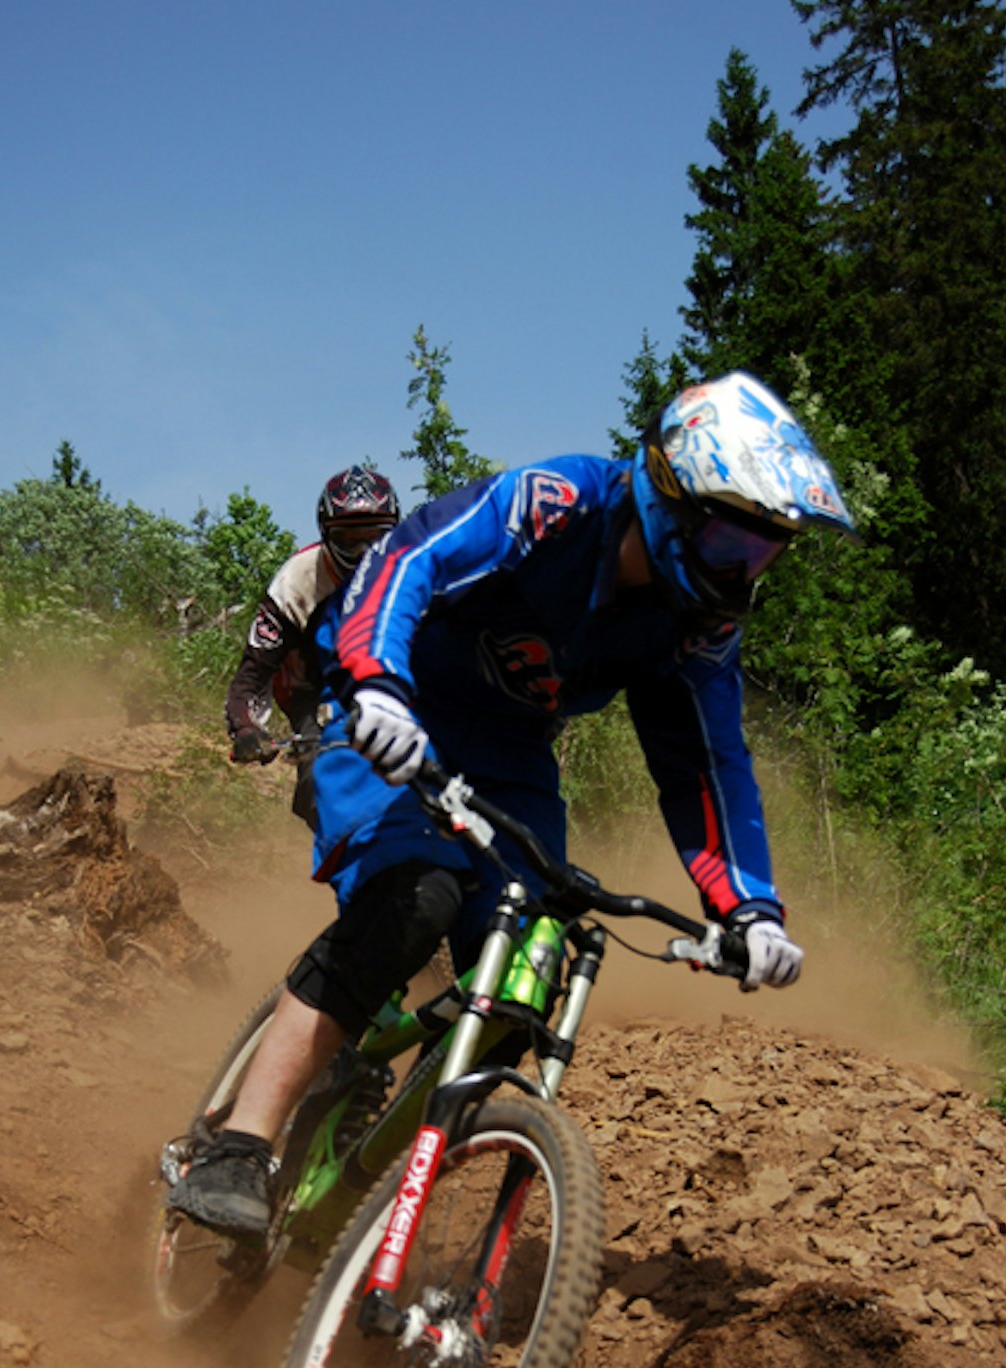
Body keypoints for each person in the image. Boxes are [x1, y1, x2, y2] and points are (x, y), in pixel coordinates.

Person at [170, 371, 858, 1241]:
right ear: (670, 496)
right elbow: (412, 556)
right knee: (416, 897)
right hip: (391, 706)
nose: (740, 572)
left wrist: (749, 908)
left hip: (512, 757)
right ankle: (238, 1145)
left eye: (763, 555)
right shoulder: (558, 504)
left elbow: (708, 766)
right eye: (731, 542)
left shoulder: (695, 626)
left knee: (529, 971)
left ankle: (363, 1204)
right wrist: (378, 681)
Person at [223, 465, 400, 823]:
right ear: (325, 534)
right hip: (312, 691)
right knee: (320, 779)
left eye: (374, 539)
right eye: (349, 540)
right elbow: (253, 673)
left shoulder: (413, 569)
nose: (363, 553)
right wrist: (246, 728)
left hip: (391, 682)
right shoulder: (296, 582)